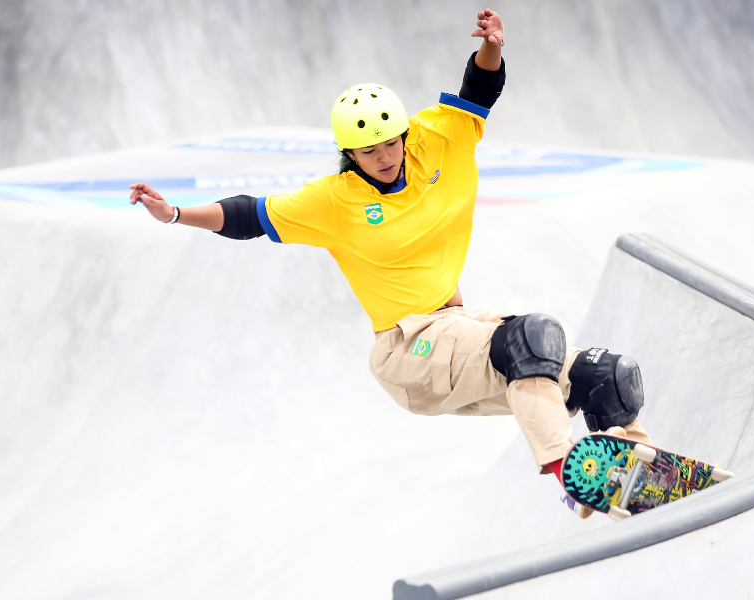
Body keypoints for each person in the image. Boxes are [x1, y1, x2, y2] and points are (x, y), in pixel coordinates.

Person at [130, 8, 652, 518]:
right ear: (349, 156)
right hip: (409, 350)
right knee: (533, 336)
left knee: (606, 375)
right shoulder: (335, 201)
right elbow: (247, 214)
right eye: (367, 151)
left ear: (403, 133)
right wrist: (174, 213)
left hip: (459, 331)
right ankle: (571, 474)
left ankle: (642, 479)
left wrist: (491, 45)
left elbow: (479, 91)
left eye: (389, 143)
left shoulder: (435, 140)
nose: (384, 156)